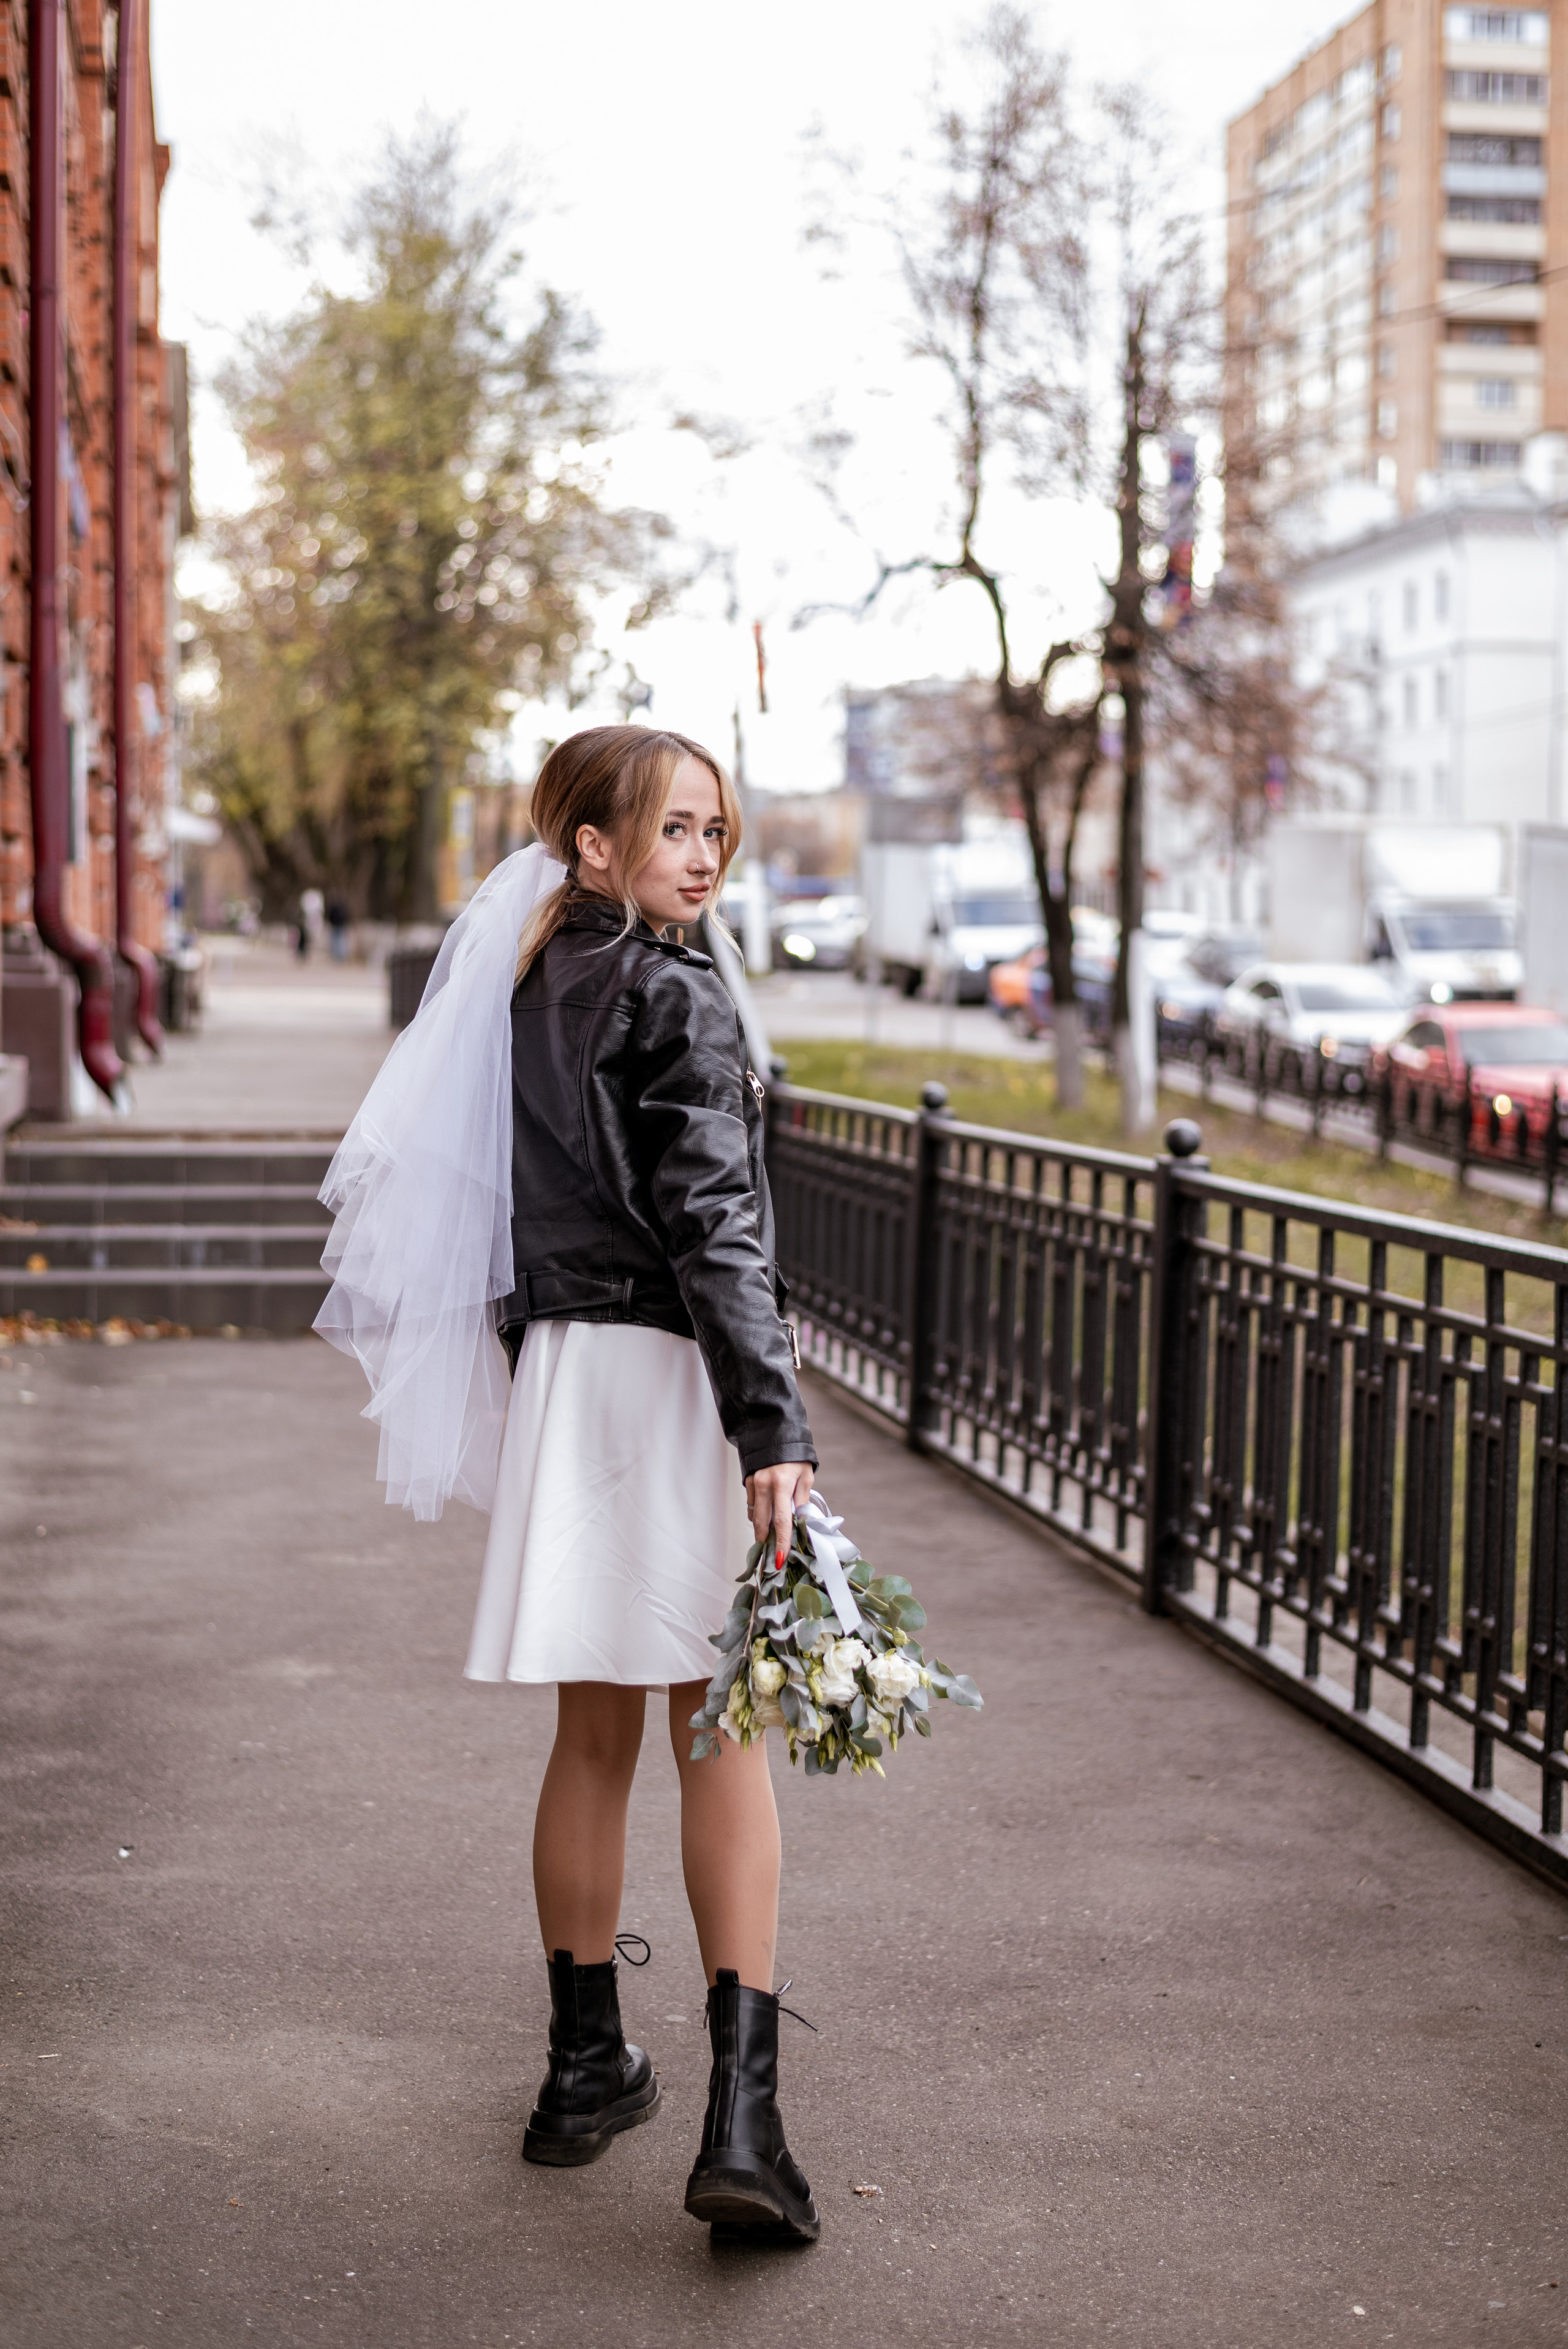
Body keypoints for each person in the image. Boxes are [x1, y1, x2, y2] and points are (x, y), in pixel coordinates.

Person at [315, 725, 821, 2242]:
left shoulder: (532, 987)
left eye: (715, 832)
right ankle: (744, 2120)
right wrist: (771, 1423)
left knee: (589, 1739)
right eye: (674, 829)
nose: (702, 855)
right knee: (720, 1734)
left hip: (570, 1376)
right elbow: (714, 1226)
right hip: (672, 1379)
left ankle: (581, 2075)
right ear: (591, 845)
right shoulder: (672, 989)